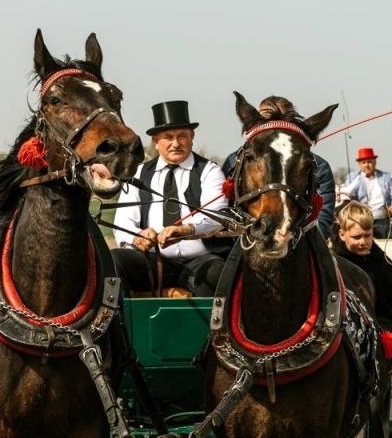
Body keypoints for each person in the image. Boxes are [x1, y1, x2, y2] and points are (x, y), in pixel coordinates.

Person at [111, 100, 229, 296]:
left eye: (182, 136)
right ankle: (159, 298)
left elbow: (217, 218)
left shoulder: (210, 171)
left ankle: (205, 319)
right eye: (168, 137)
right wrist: (137, 237)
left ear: (192, 137)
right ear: (156, 141)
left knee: (215, 273)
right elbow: (123, 223)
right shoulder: (138, 174)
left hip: (200, 262)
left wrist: (187, 229)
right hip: (152, 261)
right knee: (115, 261)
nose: (176, 143)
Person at [220, 96, 336, 238]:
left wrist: (295, 237)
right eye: (267, 120)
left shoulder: (319, 166)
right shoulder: (234, 162)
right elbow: (225, 210)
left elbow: (323, 220)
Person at [332, 200, 392, 377]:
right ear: (342, 234)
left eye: (367, 236)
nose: (363, 242)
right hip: (344, 353)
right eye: (356, 237)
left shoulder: (384, 265)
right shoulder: (333, 267)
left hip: (384, 347)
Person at [341, 147, 392, 239]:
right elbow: (346, 198)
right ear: (359, 164)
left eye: (369, 162)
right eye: (363, 162)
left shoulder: (385, 177)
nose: (367, 165)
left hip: (383, 219)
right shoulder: (352, 178)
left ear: (374, 162)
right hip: (361, 220)